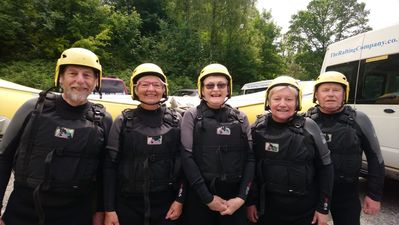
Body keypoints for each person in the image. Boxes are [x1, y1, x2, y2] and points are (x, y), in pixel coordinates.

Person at [0, 47, 113, 225]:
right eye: (73, 73)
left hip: (75, 214)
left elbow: (103, 172)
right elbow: (3, 158)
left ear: (96, 82)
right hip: (24, 211)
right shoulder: (33, 109)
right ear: (60, 78)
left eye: (87, 75)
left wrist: (100, 211)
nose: (80, 80)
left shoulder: (103, 120)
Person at [103, 63, 185, 225]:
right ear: (135, 89)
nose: (151, 89)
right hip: (128, 204)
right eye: (144, 84)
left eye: (156, 85)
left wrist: (180, 200)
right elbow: (109, 166)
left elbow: (184, 163)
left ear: (164, 89)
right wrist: (109, 209)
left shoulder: (176, 121)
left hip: (166, 204)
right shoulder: (123, 121)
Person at [246, 75, 334, 225]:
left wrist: (323, 208)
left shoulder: (309, 126)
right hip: (267, 210)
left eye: (289, 99)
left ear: (297, 102)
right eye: (277, 99)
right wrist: (250, 202)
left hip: (303, 211)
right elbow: (250, 170)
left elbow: (326, 169)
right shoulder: (257, 128)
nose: (282, 104)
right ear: (268, 101)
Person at [306, 71, 385, 225]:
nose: (330, 94)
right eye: (325, 90)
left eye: (336, 90)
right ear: (316, 94)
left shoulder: (359, 119)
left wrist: (374, 195)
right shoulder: (306, 120)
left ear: (344, 94)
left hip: (346, 193)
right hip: (314, 191)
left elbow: (376, 158)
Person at [180, 63, 254, 225]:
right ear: (202, 90)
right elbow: (187, 157)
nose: (216, 89)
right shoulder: (191, 116)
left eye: (221, 85)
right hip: (201, 197)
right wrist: (208, 198)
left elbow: (250, 159)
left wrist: (241, 198)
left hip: (233, 199)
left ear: (228, 89)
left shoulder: (240, 117)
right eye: (210, 85)